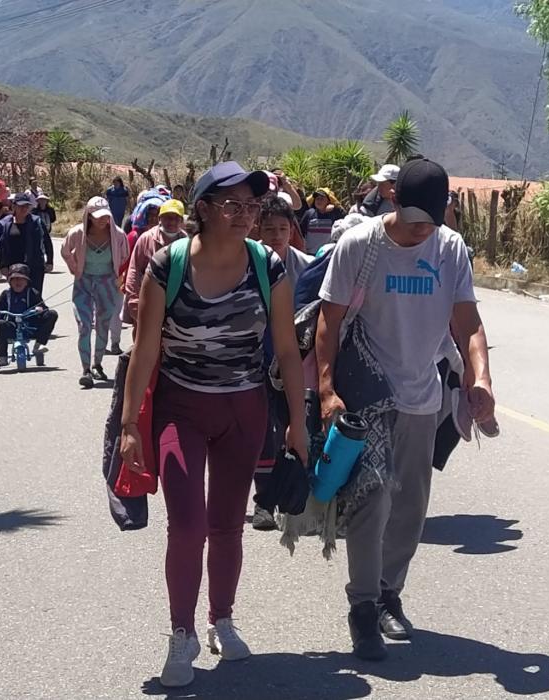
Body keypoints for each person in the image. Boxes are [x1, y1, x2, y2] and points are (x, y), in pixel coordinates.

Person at [119, 162, 307, 688]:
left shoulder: (268, 266)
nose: (245, 215)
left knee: (226, 525)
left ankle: (221, 618)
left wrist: (298, 421)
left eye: (252, 207)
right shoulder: (167, 264)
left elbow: (289, 352)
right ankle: (182, 635)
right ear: (201, 209)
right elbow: (146, 348)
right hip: (181, 410)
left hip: (242, 412)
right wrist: (131, 424)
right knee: (188, 526)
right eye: (232, 206)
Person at [316, 158, 495, 661]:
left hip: (423, 399)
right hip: (368, 397)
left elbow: (469, 324)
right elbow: (328, 322)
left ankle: (390, 591)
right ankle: (364, 607)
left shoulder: (449, 249)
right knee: (371, 504)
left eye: (430, 222)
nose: (421, 232)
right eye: (414, 220)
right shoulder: (361, 245)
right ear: (392, 200)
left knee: (410, 508)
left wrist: (479, 376)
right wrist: (327, 389)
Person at [251, 195, 314, 530]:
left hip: (294, 362)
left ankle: (291, 497)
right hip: (255, 359)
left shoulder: (307, 265)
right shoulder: (246, 263)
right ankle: (263, 502)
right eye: (269, 228)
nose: (276, 235)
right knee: (263, 432)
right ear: (258, 229)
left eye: (282, 228)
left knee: (292, 428)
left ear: (292, 230)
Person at [61, 197, 129, 388]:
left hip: (107, 283)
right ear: (89, 216)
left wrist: (117, 275)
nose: (103, 220)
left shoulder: (118, 235)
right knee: (84, 325)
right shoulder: (77, 233)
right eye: (98, 217)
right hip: (84, 282)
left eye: (106, 216)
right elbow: (65, 251)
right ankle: (85, 369)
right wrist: (75, 268)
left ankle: (97, 363)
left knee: (103, 324)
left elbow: (124, 255)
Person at [124, 198, 187, 330]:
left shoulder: (186, 242)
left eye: (177, 218)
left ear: (182, 221)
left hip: (176, 305)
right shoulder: (146, 239)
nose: (172, 222)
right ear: (160, 219)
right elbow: (133, 270)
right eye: (168, 217)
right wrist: (134, 301)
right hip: (147, 300)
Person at [0, 264, 58, 366]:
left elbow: (44, 309)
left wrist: (40, 310)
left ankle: (38, 345)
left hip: (30, 327)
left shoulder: (32, 293)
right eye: (15, 279)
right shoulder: (6, 294)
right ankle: (3, 357)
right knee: (0, 324)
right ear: (10, 281)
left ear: (26, 282)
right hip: (12, 327)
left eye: (21, 279)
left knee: (52, 314)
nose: (18, 282)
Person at [0, 193, 53, 294]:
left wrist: (49, 261)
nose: (24, 209)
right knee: (17, 296)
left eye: (27, 206)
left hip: (35, 265)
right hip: (14, 268)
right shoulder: (4, 224)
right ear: (13, 206)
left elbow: (47, 241)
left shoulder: (37, 222)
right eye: (21, 206)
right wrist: (2, 266)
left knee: (35, 296)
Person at [300, 188, 345, 255]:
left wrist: (335, 208)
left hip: (328, 254)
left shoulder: (335, 213)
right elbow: (301, 233)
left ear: (328, 201)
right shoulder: (309, 213)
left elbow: (345, 220)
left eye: (322, 198)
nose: (319, 201)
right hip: (310, 254)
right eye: (317, 198)